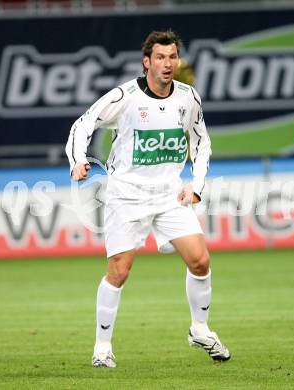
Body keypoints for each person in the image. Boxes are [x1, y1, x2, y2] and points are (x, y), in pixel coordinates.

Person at [66, 30, 230, 368]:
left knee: (200, 261)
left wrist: (196, 185)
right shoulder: (124, 97)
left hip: (169, 194)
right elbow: (82, 125)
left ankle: (199, 328)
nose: (167, 64)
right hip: (127, 196)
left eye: (172, 57)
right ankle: (102, 347)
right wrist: (77, 160)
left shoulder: (187, 98)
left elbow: (202, 143)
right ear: (147, 62)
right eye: (160, 57)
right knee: (119, 271)